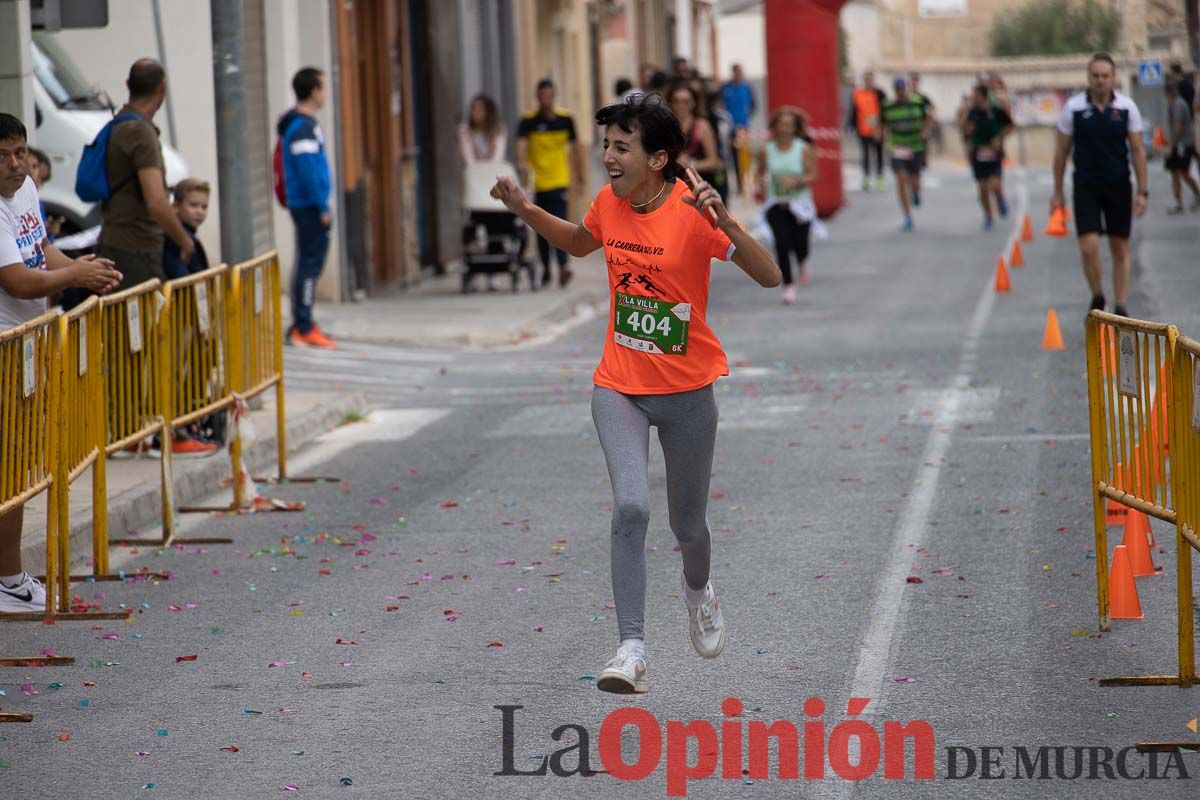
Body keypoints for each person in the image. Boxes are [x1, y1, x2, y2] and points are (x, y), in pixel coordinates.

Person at [489, 92, 781, 694]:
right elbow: (576, 241)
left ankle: (698, 591)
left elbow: (770, 275)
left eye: (622, 147)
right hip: (619, 384)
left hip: (687, 390)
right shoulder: (608, 204)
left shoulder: (692, 212)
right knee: (631, 508)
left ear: (658, 157)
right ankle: (632, 648)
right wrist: (523, 208)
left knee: (688, 525)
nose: (609, 158)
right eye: (606, 146)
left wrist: (725, 220)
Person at [0, 113, 123, 612]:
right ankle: (7, 580)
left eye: (20, 153)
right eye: (2, 157)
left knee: (21, 464)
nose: (14, 165)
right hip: (5, 346)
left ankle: (9, 575)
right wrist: (77, 277)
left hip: (27, 343)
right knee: (9, 468)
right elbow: (18, 281)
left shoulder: (26, 188)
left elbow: (41, 250)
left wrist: (80, 268)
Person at [1052, 53, 1149, 318]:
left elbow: (1138, 150)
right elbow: (1061, 152)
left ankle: (1120, 305)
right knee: (1089, 246)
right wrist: (1057, 191)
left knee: (1119, 247)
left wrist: (1142, 191)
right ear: (1088, 77)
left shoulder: (1127, 107)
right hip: (1086, 186)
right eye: (1095, 76)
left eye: (1105, 76)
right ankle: (1097, 295)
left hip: (1118, 184)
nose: (1100, 81)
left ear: (1113, 78)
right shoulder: (1073, 108)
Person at [99, 59, 195, 291]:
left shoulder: (119, 123)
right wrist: (184, 241)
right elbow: (157, 202)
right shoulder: (140, 132)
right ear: (162, 88)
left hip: (117, 241)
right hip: (136, 249)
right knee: (145, 323)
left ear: (127, 84)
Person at [278, 66, 335, 349]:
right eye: (323, 87)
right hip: (309, 205)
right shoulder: (302, 127)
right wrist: (321, 205)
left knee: (307, 263)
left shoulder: (301, 124)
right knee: (309, 266)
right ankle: (303, 326)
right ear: (313, 91)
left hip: (307, 204)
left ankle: (304, 323)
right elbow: (308, 170)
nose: (325, 93)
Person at [516, 79, 585, 289]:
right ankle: (546, 268)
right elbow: (520, 147)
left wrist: (580, 177)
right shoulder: (528, 121)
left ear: (554, 95)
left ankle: (563, 266)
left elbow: (576, 150)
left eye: (549, 95)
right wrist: (521, 165)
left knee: (560, 223)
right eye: (542, 96)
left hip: (559, 181)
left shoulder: (566, 120)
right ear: (537, 97)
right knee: (540, 228)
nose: (546, 100)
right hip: (537, 184)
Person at [757, 105, 819, 304]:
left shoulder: (803, 148)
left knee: (801, 245)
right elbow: (759, 172)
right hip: (777, 203)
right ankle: (789, 286)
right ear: (775, 126)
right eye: (781, 125)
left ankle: (802, 261)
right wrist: (760, 184)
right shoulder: (767, 150)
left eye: (789, 125)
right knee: (782, 244)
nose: (784, 129)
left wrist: (797, 181)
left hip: (800, 204)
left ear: (795, 128)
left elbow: (814, 174)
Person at [959, 84, 1014, 230]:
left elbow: (1010, 125)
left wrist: (999, 138)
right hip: (978, 154)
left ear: (983, 96)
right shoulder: (971, 112)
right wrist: (966, 122)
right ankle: (988, 215)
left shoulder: (996, 111)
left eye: (975, 96)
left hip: (994, 154)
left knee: (995, 184)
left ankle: (1000, 199)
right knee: (982, 188)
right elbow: (963, 129)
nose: (973, 98)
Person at [882, 77, 931, 231]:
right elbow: (882, 123)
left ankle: (916, 193)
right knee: (901, 179)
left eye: (902, 89)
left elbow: (928, 118)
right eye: (898, 89)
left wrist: (925, 130)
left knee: (915, 181)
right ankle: (907, 216)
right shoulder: (888, 106)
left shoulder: (918, 102)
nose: (900, 92)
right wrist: (882, 137)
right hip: (898, 147)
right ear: (894, 90)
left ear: (906, 90)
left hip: (915, 146)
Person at [670, 82, 728, 207]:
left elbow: (713, 160)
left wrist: (691, 164)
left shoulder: (702, 126)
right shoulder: (667, 128)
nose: (681, 106)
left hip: (700, 185)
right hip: (674, 187)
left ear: (693, 103)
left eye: (685, 101)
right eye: (677, 101)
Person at [1163, 79, 1200, 213]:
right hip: (1180, 144)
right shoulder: (1174, 103)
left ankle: (1196, 193)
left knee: (1182, 172)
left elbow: (1177, 126)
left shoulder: (1178, 104)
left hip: (1182, 145)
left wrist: (1171, 146)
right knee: (1175, 173)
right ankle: (1178, 203)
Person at [162, 178, 210, 280]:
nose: (200, 211)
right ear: (175, 206)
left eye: (204, 207)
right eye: (193, 205)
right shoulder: (175, 237)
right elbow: (178, 272)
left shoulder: (190, 234)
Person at [721, 64, 756, 196]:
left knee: (744, 156)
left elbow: (753, 105)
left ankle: (745, 184)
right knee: (732, 156)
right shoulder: (726, 87)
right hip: (729, 127)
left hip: (743, 126)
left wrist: (745, 117)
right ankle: (737, 185)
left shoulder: (747, 87)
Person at [848, 71, 886, 191]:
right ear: (864, 79)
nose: (868, 80)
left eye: (870, 78)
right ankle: (866, 179)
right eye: (866, 78)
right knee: (865, 155)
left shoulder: (879, 93)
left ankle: (880, 179)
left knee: (879, 155)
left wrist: (881, 128)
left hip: (877, 130)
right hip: (863, 130)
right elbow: (854, 110)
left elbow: (885, 111)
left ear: (873, 79)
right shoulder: (858, 93)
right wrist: (851, 125)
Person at [25, 148, 62, 239]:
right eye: (33, 166)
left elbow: (45, 246)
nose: (39, 184)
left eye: (42, 180)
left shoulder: (37, 202)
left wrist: (48, 232)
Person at [458, 94, 507, 164]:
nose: (475, 112)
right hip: (475, 171)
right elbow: (468, 159)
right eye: (473, 108)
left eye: (479, 109)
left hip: (495, 170)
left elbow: (498, 156)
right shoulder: (465, 131)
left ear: (488, 111)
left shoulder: (499, 128)